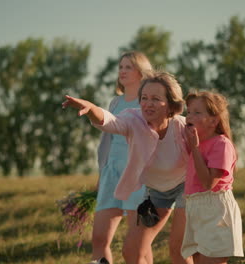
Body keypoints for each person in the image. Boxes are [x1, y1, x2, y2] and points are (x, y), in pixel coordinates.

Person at [63, 71, 193, 264]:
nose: (148, 103)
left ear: (172, 105)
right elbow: (110, 122)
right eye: (144, 98)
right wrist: (91, 108)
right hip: (157, 192)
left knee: (178, 249)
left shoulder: (183, 126)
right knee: (131, 252)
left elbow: (212, 146)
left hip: (187, 187)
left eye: (156, 99)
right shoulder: (134, 120)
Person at [91, 51, 153, 264]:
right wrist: (102, 173)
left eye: (128, 67)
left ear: (141, 71)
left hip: (137, 175)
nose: (122, 71)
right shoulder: (115, 103)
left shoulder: (146, 101)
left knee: (139, 246)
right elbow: (106, 141)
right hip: (111, 173)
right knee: (99, 238)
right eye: (120, 67)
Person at [181, 91, 244, 264]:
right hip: (195, 208)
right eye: (189, 112)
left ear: (214, 121)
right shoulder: (196, 143)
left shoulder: (221, 144)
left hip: (216, 211)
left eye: (197, 112)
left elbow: (208, 183)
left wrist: (194, 148)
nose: (189, 116)